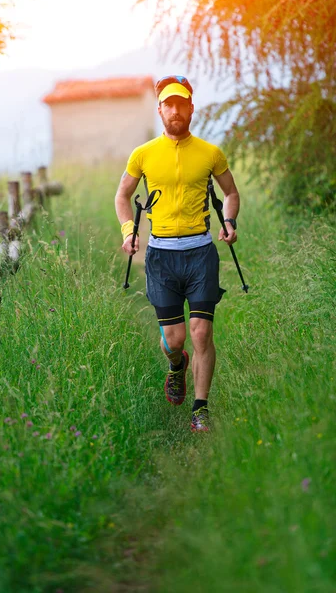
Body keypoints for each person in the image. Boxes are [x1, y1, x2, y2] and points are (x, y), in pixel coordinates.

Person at [114, 75, 240, 432]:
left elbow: (231, 193)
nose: (175, 110)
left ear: (191, 108)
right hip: (161, 256)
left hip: (201, 251)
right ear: (160, 110)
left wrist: (229, 220)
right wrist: (129, 230)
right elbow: (122, 197)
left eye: (180, 104)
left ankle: (200, 409)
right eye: (168, 104)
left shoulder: (210, 153)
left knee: (201, 333)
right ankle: (175, 365)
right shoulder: (143, 154)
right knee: (176, 340)